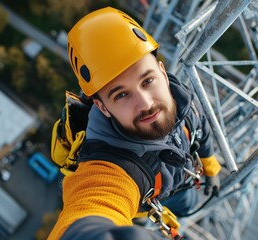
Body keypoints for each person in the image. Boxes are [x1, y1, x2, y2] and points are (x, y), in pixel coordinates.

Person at [48, 7, 222, 240]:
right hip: (157, 195)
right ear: (102, 107)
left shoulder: (182, 100)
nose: (146, 103)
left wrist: (211, 167)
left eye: (147, 80)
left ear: (162, 72)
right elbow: (93, 204)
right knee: (185, 205)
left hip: (182, 182)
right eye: (121, 95)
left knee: (188, 204)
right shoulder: (112, 164)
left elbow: (201, 130)